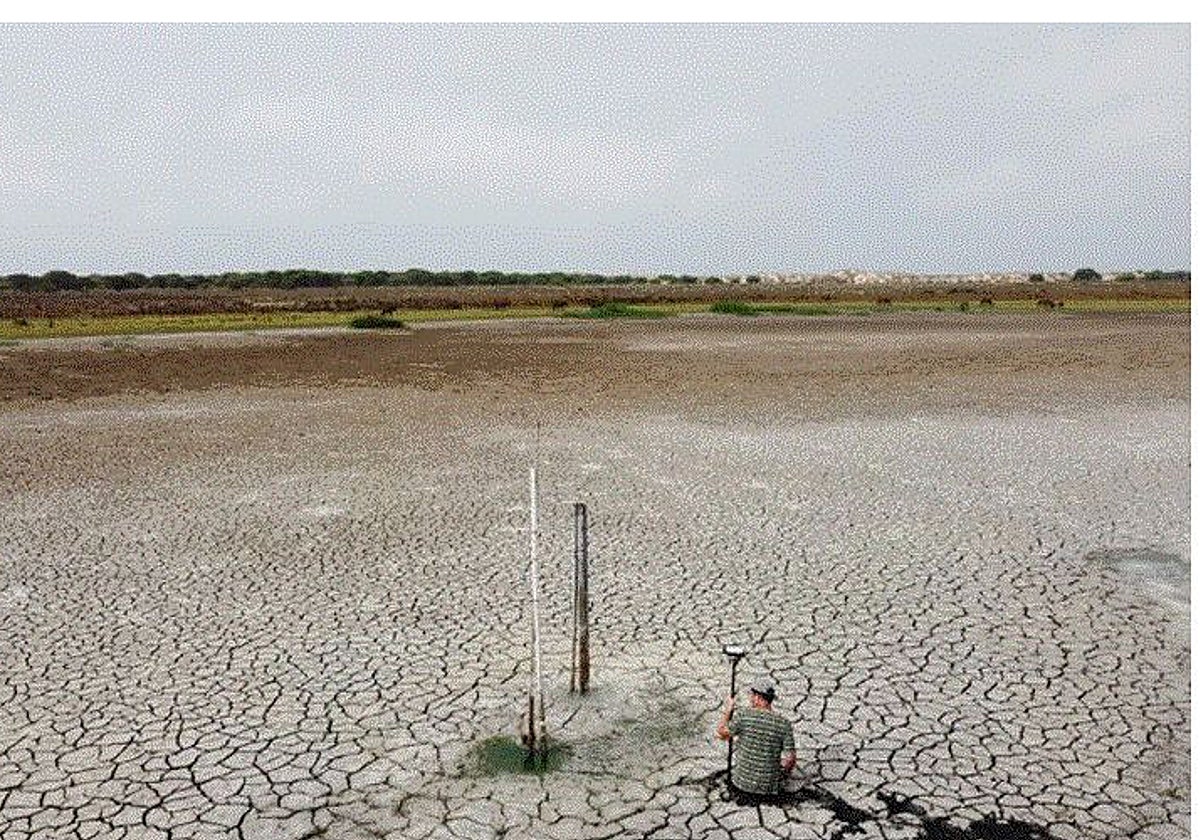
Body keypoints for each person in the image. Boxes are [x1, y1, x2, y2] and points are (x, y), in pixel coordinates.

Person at [716, 676, 796, 803]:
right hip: (769, 788)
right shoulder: (784, 724)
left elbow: (721, 732)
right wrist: (783, 774)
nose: (750, 698)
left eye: (752, 695)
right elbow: (790, 759)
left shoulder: (744, 716)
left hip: (741, 784)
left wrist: (728, 710)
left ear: (758, 697)